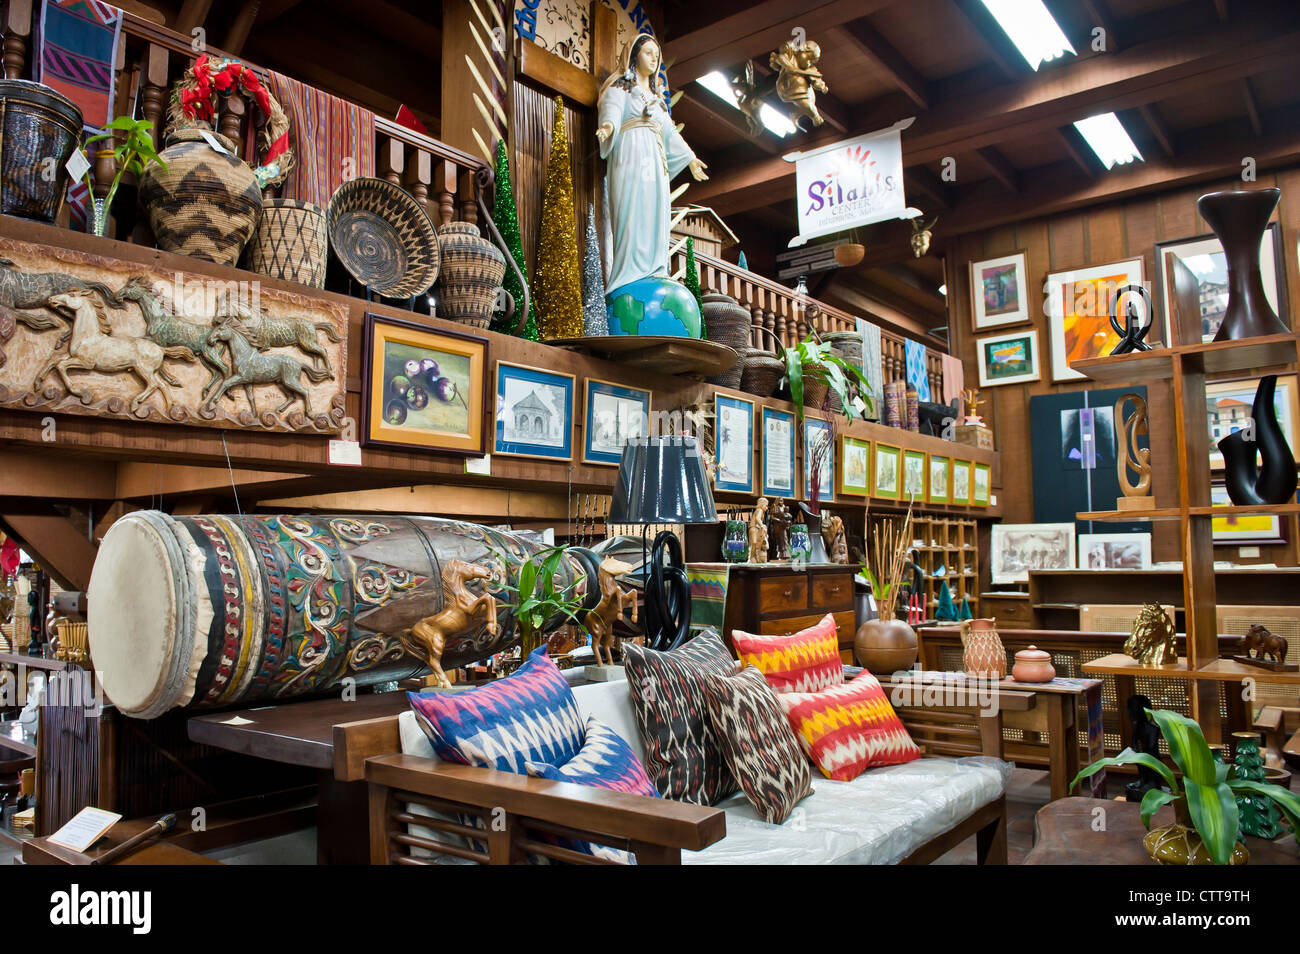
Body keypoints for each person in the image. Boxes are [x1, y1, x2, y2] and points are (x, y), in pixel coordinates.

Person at [596, 34, 708, 295]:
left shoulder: (656, 99)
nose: (654, 58)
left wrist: (690, 158)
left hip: (655, 164)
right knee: (632, 209)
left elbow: (669, 132)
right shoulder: (621, 87)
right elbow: (611, 109)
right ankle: (628, 275)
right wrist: (608, 127)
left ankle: (654, 269)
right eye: (648, 53)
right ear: (634, 56)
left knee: (654, 210)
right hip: (631, 155)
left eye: (656, 55)